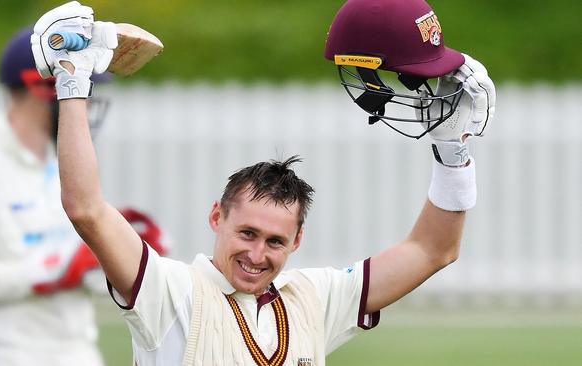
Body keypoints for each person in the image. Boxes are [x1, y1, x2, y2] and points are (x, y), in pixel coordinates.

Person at [30, 0, 495, 365]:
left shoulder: (313, 298)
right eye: (247, 233)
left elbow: (434, 251)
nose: (256, 255)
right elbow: (86, 210)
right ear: (217, 216)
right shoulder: (169, 293)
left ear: (298, 241)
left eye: (275, 240)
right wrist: (73, 87)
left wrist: (454, 154)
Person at [0, 26, 169, 366]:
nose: (85, 104)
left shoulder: (60, 171)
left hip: (79, 355)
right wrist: (50, 272)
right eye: (82, 89)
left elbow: (80, 273)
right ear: (39, 85)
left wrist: (129, 256)